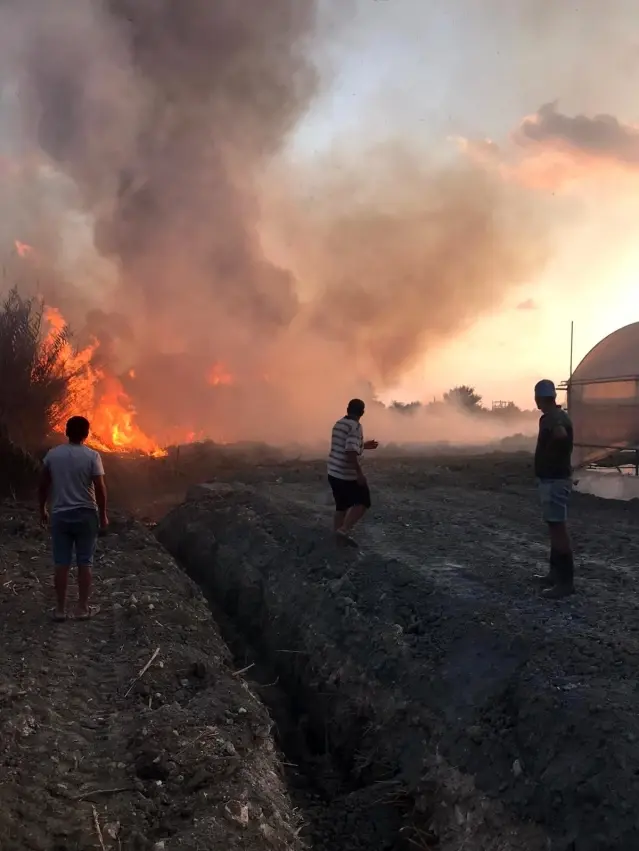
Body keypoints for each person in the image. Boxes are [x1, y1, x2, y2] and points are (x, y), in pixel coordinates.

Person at [39, 416, 108, 621]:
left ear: (66, 432)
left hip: (60, 514)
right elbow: (100, 488)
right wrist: (103, 515)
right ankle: (82, 608)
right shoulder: (92, 456)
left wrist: (42, 509)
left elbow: (43, 485)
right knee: (85, 562)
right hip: (86, 515)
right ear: (86, 434)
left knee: (61, 562)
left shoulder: (53, 455)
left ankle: (60, 610)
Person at [533, 379, 574, 599]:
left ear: (538, 398)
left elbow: (560, 435)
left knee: (558, 529)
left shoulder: (554, 418)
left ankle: (565, 583)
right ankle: (554, 575)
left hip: (555, 480)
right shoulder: (556, 415)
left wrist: (549, 456)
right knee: (554, 527)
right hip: (554, 479)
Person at [327, 398, 378, 546]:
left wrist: (363, 445)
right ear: (362, 412)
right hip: (346, 475)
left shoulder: (339, 424)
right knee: (363, 501)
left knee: (341, 506)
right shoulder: (355, 427)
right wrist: (359, 474)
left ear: (347, 409)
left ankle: (336, 538)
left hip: (333, 472)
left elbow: (346, 445)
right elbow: (350, 451)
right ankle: (343, 530)